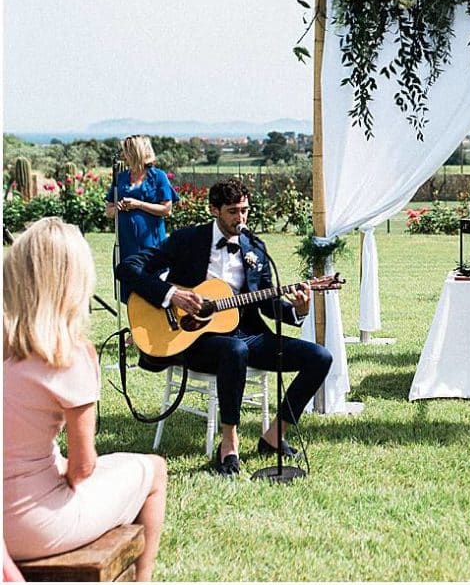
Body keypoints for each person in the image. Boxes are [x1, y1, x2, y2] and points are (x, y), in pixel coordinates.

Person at [117, 178, 333, 477]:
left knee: (320, 357)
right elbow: (127, 268)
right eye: (233, 211)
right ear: (214, 210)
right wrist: (172, 295)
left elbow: (267, 303)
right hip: (194, 338)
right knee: (235, 349)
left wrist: (297, 310)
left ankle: (274, 436)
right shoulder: (187, 240)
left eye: (245, 210)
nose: (240, 218)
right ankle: (229, 443)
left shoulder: (255, 248)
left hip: (248, 333)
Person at [4, 218, 167, 581]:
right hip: (38, 525)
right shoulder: (70, 353)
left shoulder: (7, 346)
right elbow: (81, 470)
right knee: (154, 468)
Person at [105, 135, 179, 303]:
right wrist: (116, 208)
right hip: (126, 244)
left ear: (135, 153)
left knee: (156, 287)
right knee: (130, 289)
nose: (123, 155)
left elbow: (166, 209)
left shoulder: (158, 176)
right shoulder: (121, 178)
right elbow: (108, 211)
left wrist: (138, 204)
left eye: (126, 151)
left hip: (152, 244)